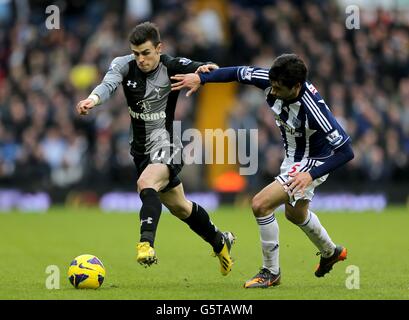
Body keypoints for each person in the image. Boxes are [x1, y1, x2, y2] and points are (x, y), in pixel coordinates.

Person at [170, 53, 354, 287]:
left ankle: (271, 272)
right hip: (292, 157)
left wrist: (310, 175)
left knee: (260, 204)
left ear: (297, 86)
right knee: (295, 214)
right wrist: (203, 80)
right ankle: (331, 252)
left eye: (278, 88)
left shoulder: (314, 109)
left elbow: (346, 151)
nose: (273, 91)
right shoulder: (269, 78)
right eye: (272, 85)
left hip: (313, 161)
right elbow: (237, 72)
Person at [75, 22, 235, 276]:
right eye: (136, 53)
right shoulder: (123, 65)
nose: (141, 59)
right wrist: (91, 100)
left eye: (146, 53)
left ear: (159, 49)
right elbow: (108, 85)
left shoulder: (171, 65)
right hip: (141, 151)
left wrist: (206, 71)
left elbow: (203, 67)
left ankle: (146, 243)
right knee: (180, 207)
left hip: (168, 144)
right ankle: (219, 240)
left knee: (146, 183)